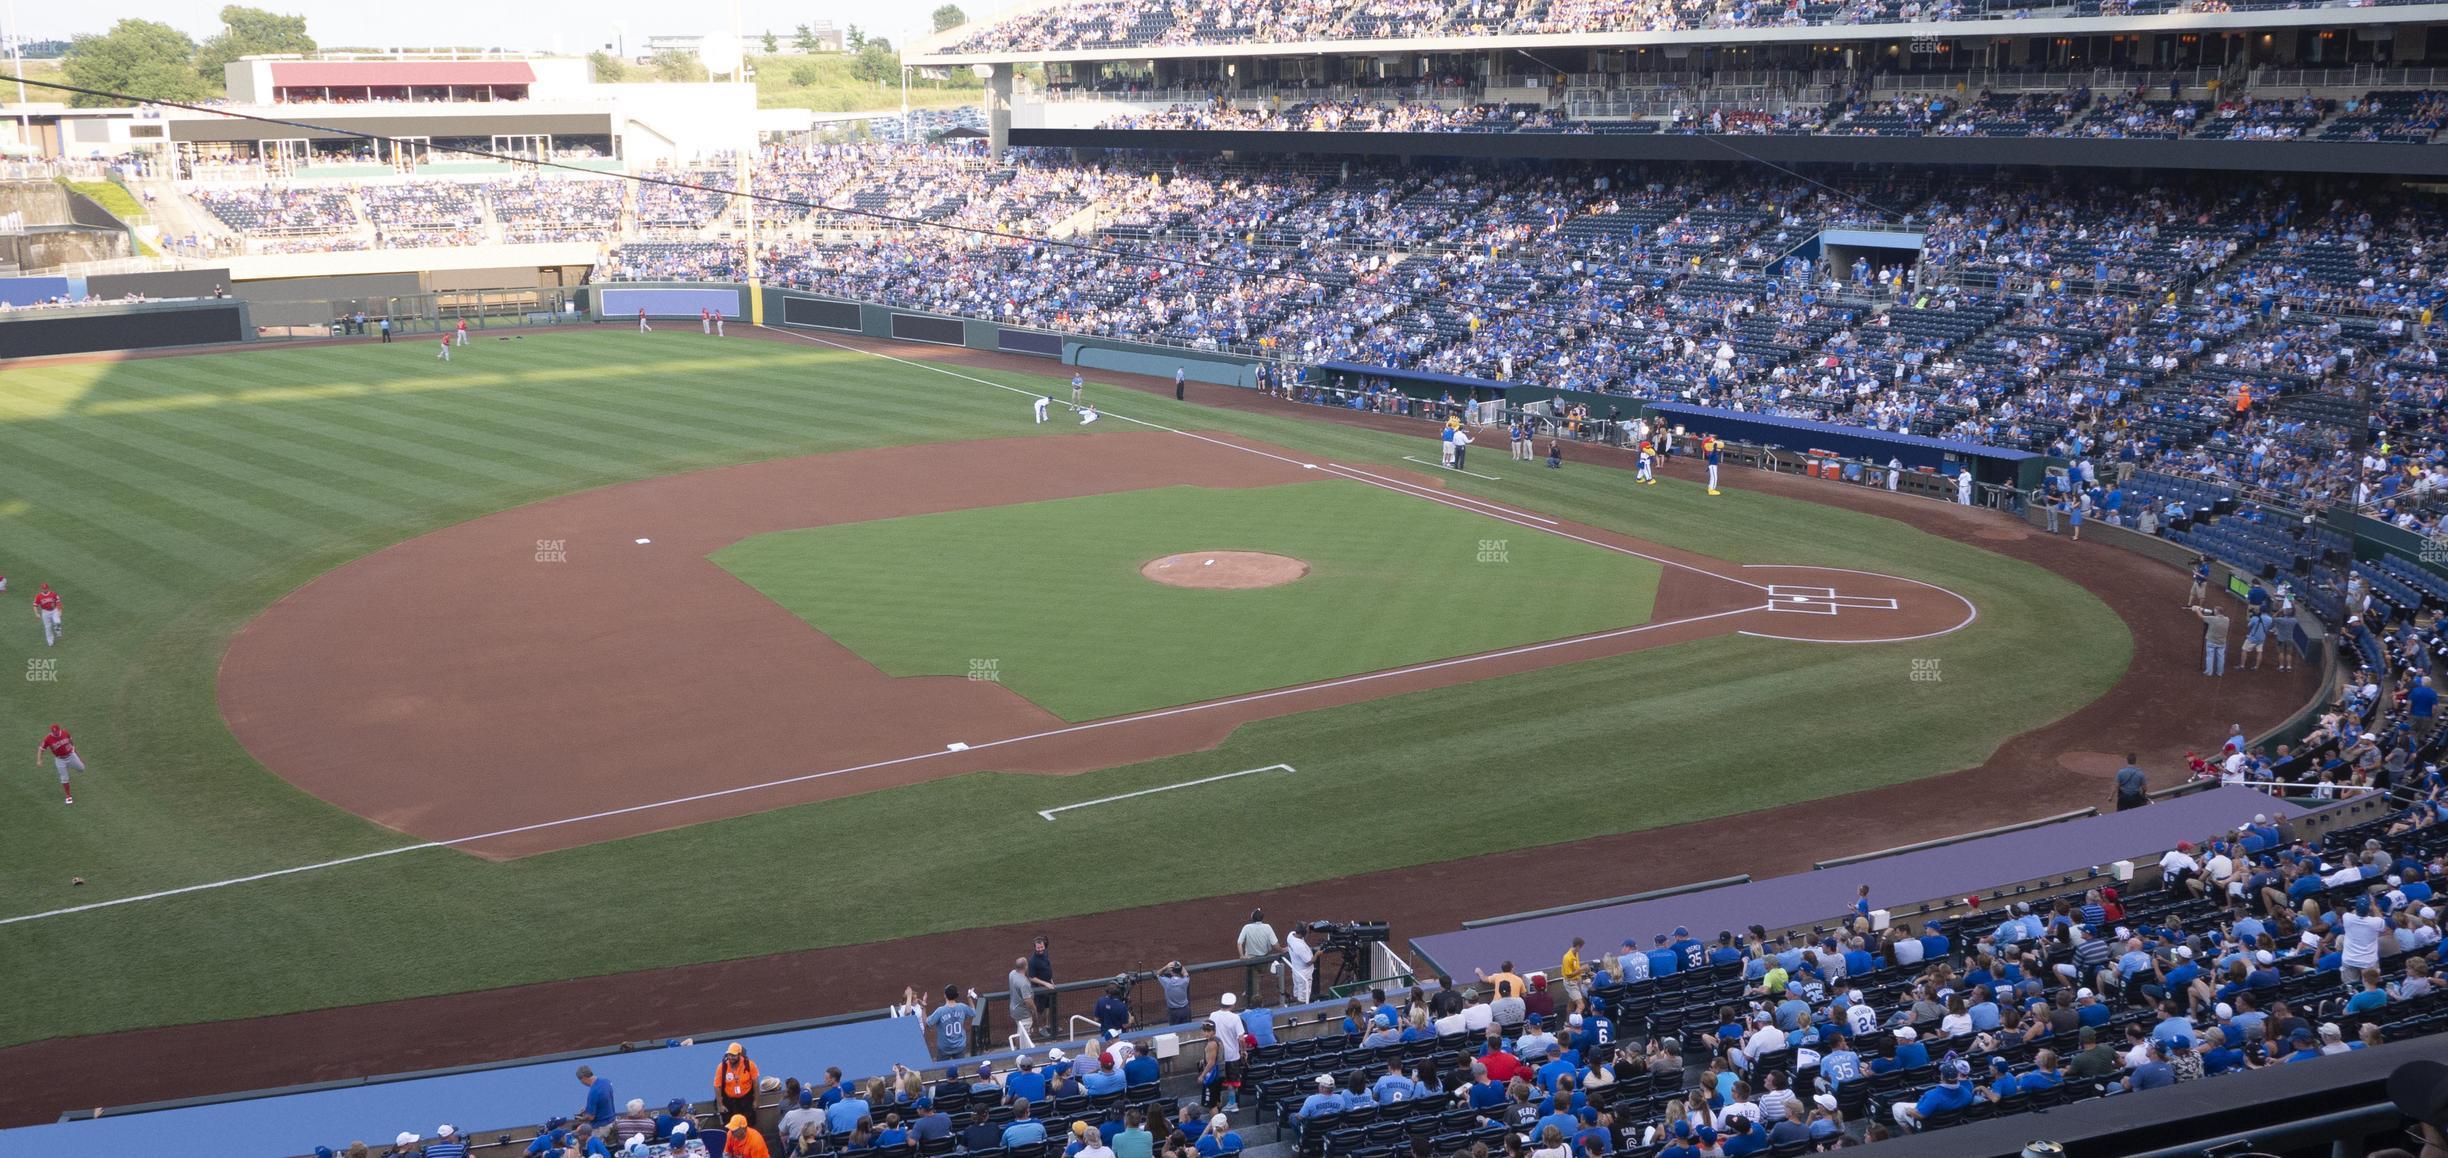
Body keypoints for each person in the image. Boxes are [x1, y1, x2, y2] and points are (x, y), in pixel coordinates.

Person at [927, 984, 983, 1060]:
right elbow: (973, 1013)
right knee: (959, 1069)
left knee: (942, 1070)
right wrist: (969, 998)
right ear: (956, 995)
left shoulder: (940, 1011)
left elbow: (928, 1023)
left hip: (944, 1048)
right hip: (959, 1047)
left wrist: (923, 1008)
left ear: (945, 995)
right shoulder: (962, 1007)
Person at [1237, 909, 1279, 1002]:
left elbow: (1239, 943)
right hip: (1264, 960)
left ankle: (1254, 1000)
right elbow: (1275, 944)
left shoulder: (1246, 927)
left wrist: (1242, 955)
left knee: (1253, 977)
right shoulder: (1267, 927)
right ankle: (1250, 990)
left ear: (1252, 918)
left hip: (1251, 960)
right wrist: (1282, 949)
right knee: (1257, 975)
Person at [1010, 956, 1051, 1047]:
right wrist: (1034, 1010)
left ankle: (1018, 1048)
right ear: (1025, 967)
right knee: (1024, 1034)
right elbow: (1028, 1001)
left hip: (1014, 1009)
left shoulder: (1012, 974)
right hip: (1023, 1013)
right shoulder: (1024, 983)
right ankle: (1021, 1051)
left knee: (1019, 1031)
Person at [714, 1043, 759, 1126]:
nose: (731, 1057)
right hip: (730, 1102)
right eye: (729, 1055)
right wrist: (720, 1105)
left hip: (746, 1100)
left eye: (734, 1055)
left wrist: (756, 1100)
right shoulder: (722, 1067)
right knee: (730, 1125)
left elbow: (756, 1083)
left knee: (749, 1124)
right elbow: (717, 1086)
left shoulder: (749, 1065)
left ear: (739, 1055)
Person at [36, 723, 81, 804]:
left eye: (56, 731)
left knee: (81, 769)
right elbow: (41, 749)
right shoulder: (48, 739)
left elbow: (70, 740)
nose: (55, 733)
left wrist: (74, 749)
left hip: (71, 755)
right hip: (60, 760)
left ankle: (71, 765)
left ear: (59, 730)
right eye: (53, 732)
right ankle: (68, 797)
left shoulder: (65, 733)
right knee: (64, 778)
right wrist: (39, 760)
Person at [2191, 602, 2231, 676]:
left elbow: (2201, 617)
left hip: (2211, 641)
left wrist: (2197, 610)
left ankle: (2208, 672)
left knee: (2210, 656)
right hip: (2222, 642)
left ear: (2217, 612)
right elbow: (2216, 614)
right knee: (2221, 657)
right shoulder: (2227, 619)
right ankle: (2220, 672)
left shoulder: (2212, 619)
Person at [1285, 923, 1317, 1004]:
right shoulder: (1300, 946)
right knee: (1303, 999)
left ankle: (1295, 1007)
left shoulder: (1290, 935)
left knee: (1297, 993)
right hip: (1304, 975)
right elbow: (1310, 961)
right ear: (1303, 933)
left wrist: (1307, 929)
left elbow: (1301, 938)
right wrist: (1318, 953)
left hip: (1296, 970)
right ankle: (1300, 1013)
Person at [33, 582, 61, 646]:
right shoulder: (39, 596)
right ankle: (50, 641)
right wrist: (36, 613)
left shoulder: (53, 594)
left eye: (46, 588)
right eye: (43, 589)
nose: (45, 590)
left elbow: (58, 602)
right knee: (47, 627)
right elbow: (35, 605)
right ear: (41, 589)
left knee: (57, 622)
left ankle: (58, 631)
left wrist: (59, 610)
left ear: (48, 588)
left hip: (54, 610)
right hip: (45, 612)